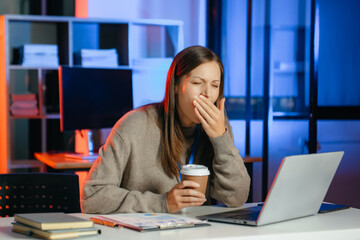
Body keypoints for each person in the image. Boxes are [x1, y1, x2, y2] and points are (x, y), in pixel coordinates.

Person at [81, 46, 250, 214]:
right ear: (175, 86)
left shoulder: (219, 128)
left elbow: (236, 197)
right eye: (197, 83)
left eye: (215, 85)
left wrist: (221, 138)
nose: (207, 94)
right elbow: (92, 197)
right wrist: (162, 203)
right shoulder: (134, 125)